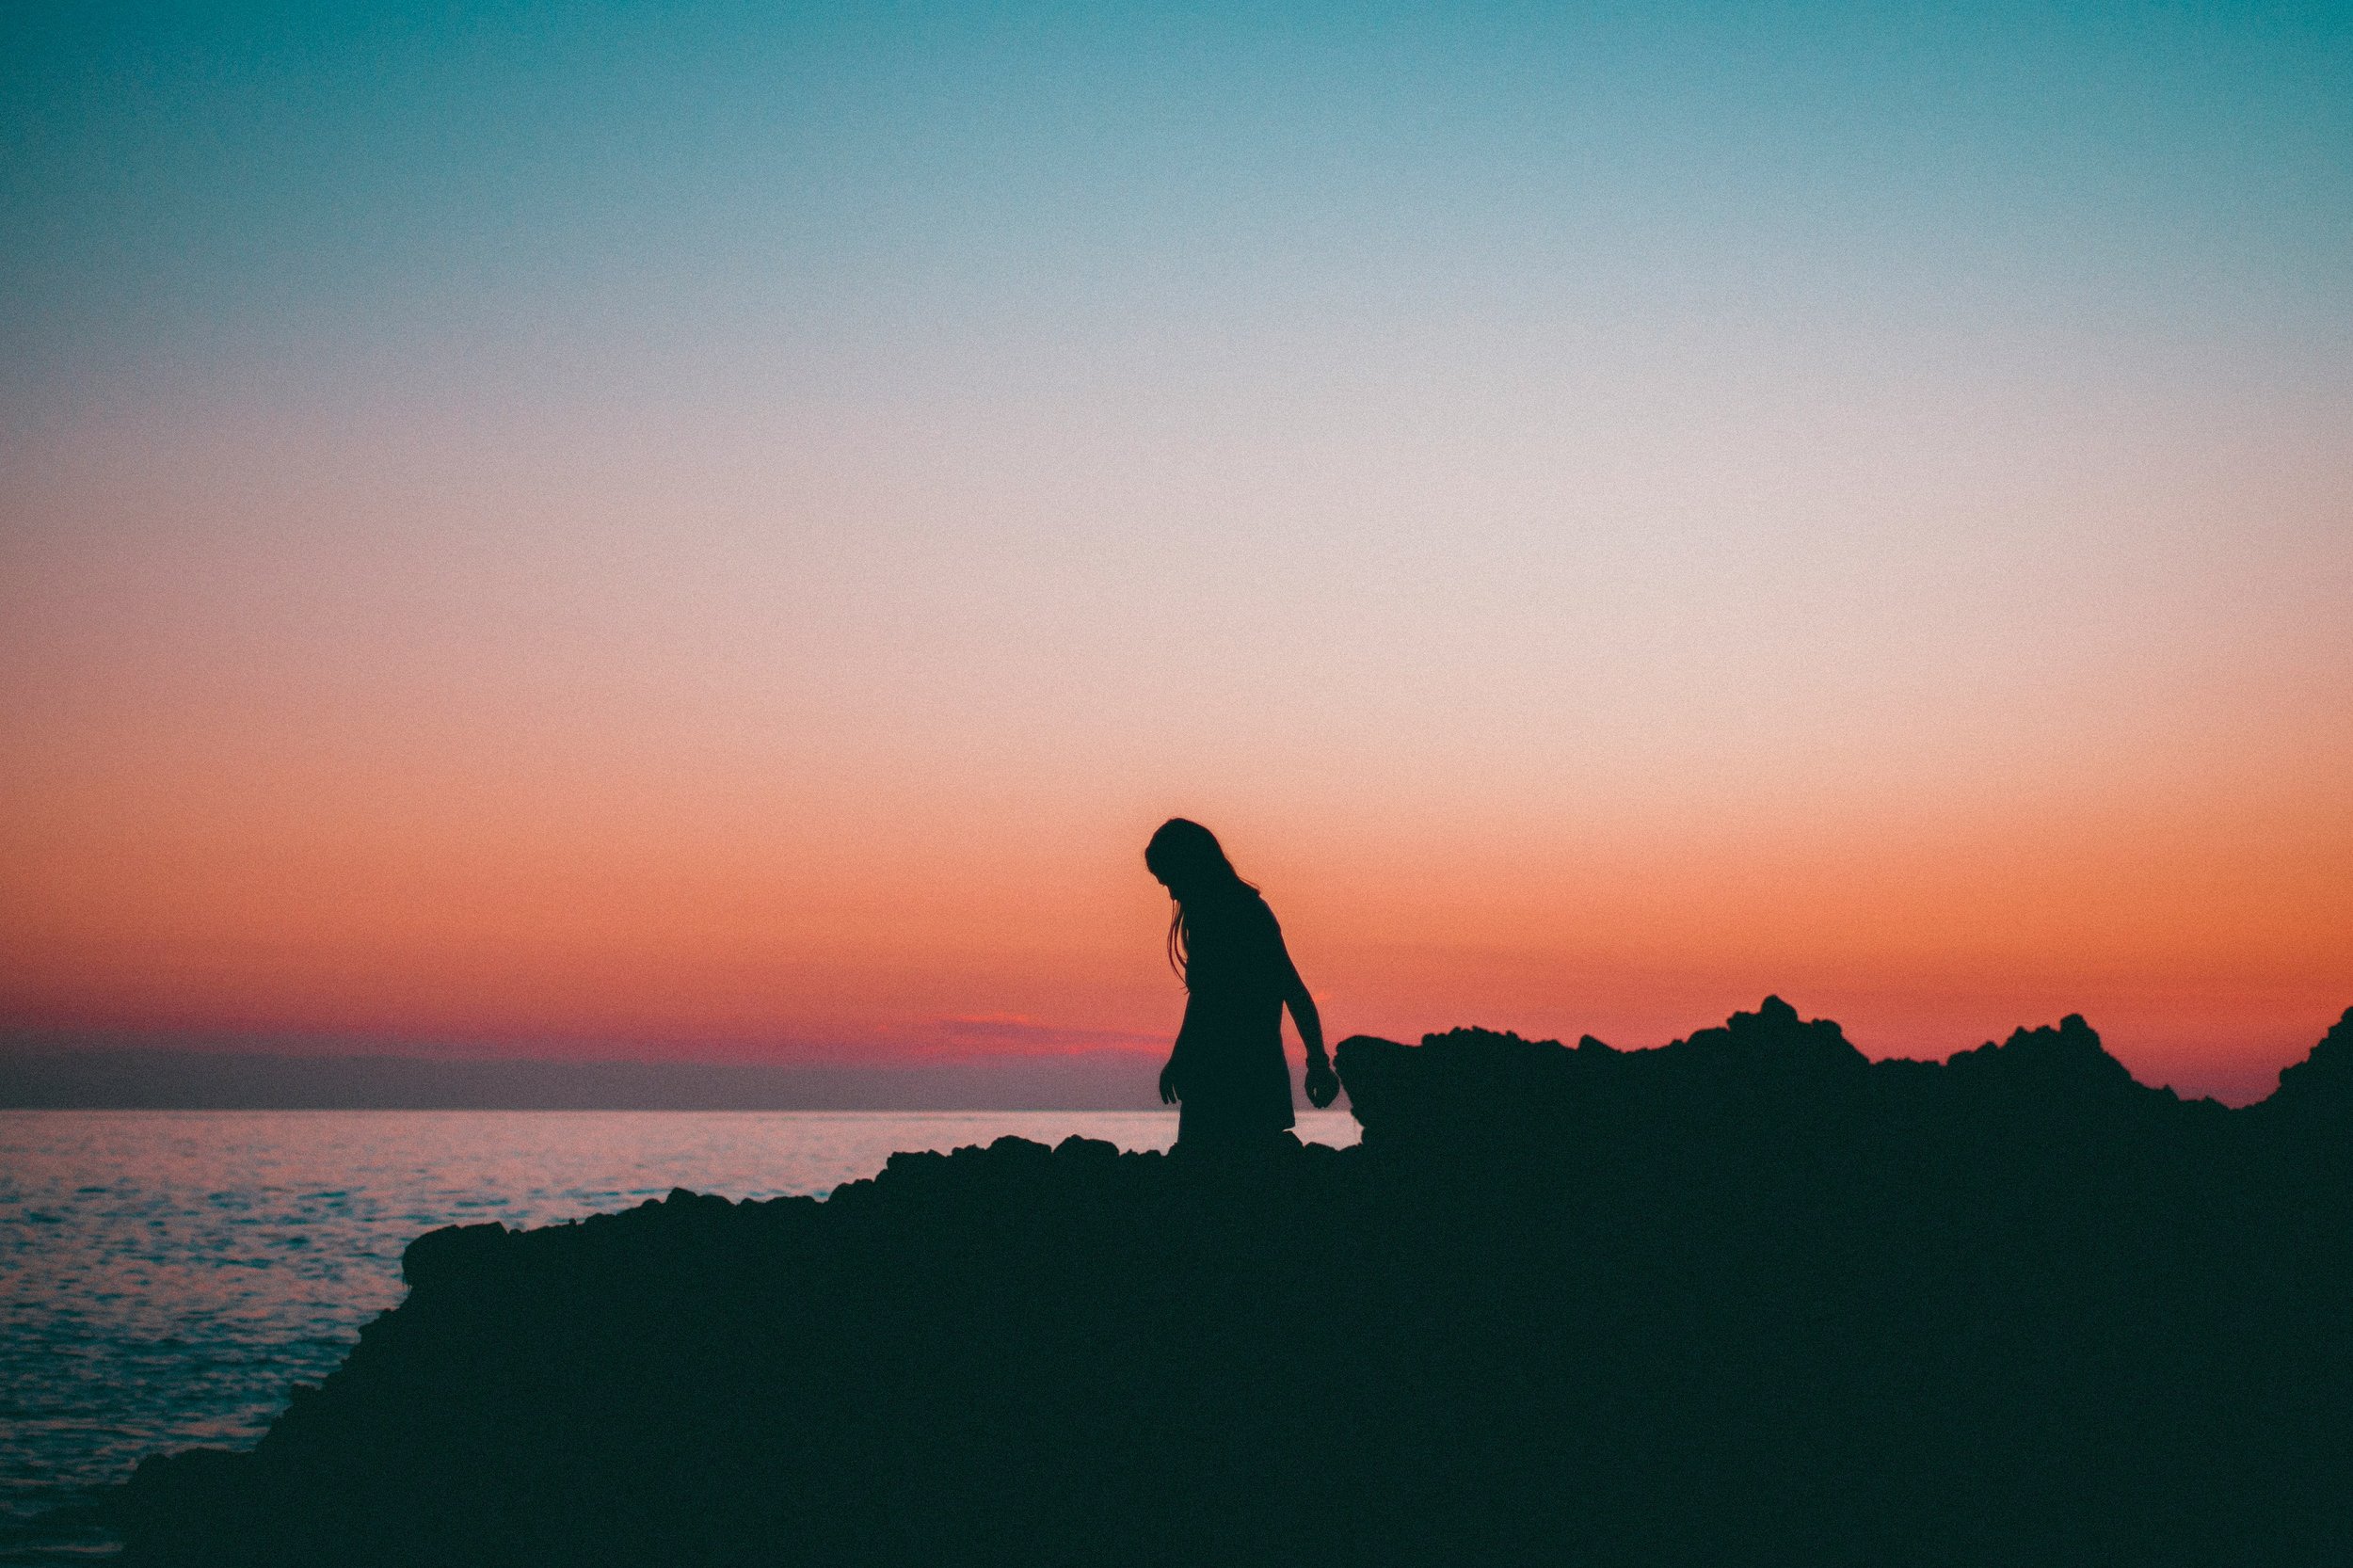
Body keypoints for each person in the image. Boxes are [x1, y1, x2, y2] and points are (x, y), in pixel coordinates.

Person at [1145, 818, 1338, 1149]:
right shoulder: (1231, 914)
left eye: (1172, 881)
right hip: (1229, 1081)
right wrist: (1179, 1058)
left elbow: (1288, 990)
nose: (1173, 893)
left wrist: (1318, 1063)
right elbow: (1204, 1000)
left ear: (1191, 868)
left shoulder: (1242, 915)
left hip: (1240, 1083)